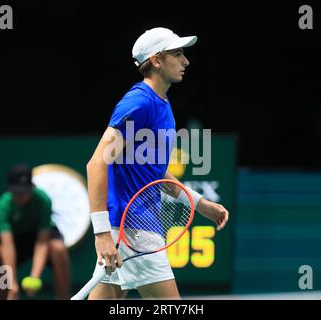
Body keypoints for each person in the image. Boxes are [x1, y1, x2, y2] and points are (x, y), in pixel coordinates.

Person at [85, 27, 230, 299]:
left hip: (128, 229)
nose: (185, 61)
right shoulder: (139, 103)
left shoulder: (161, 103)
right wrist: (102, 233)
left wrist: (201, 205)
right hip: (135, 230)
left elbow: (153, 174)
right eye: (177, 54)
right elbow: (96, 164)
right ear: (156, 60)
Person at [0, 164, 71, 300]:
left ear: (31, 188)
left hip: (41, 239)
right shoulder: (3, 205)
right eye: (17, 192)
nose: (21, 196)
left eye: (24, 192)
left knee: (58, 249)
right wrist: (11, 284)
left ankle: (63, 298)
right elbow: (7, 245)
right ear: (10, 190)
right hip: (16, 241)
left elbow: (42, 242)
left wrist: (34, 276)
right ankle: (8, 296)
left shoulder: (43, 200)